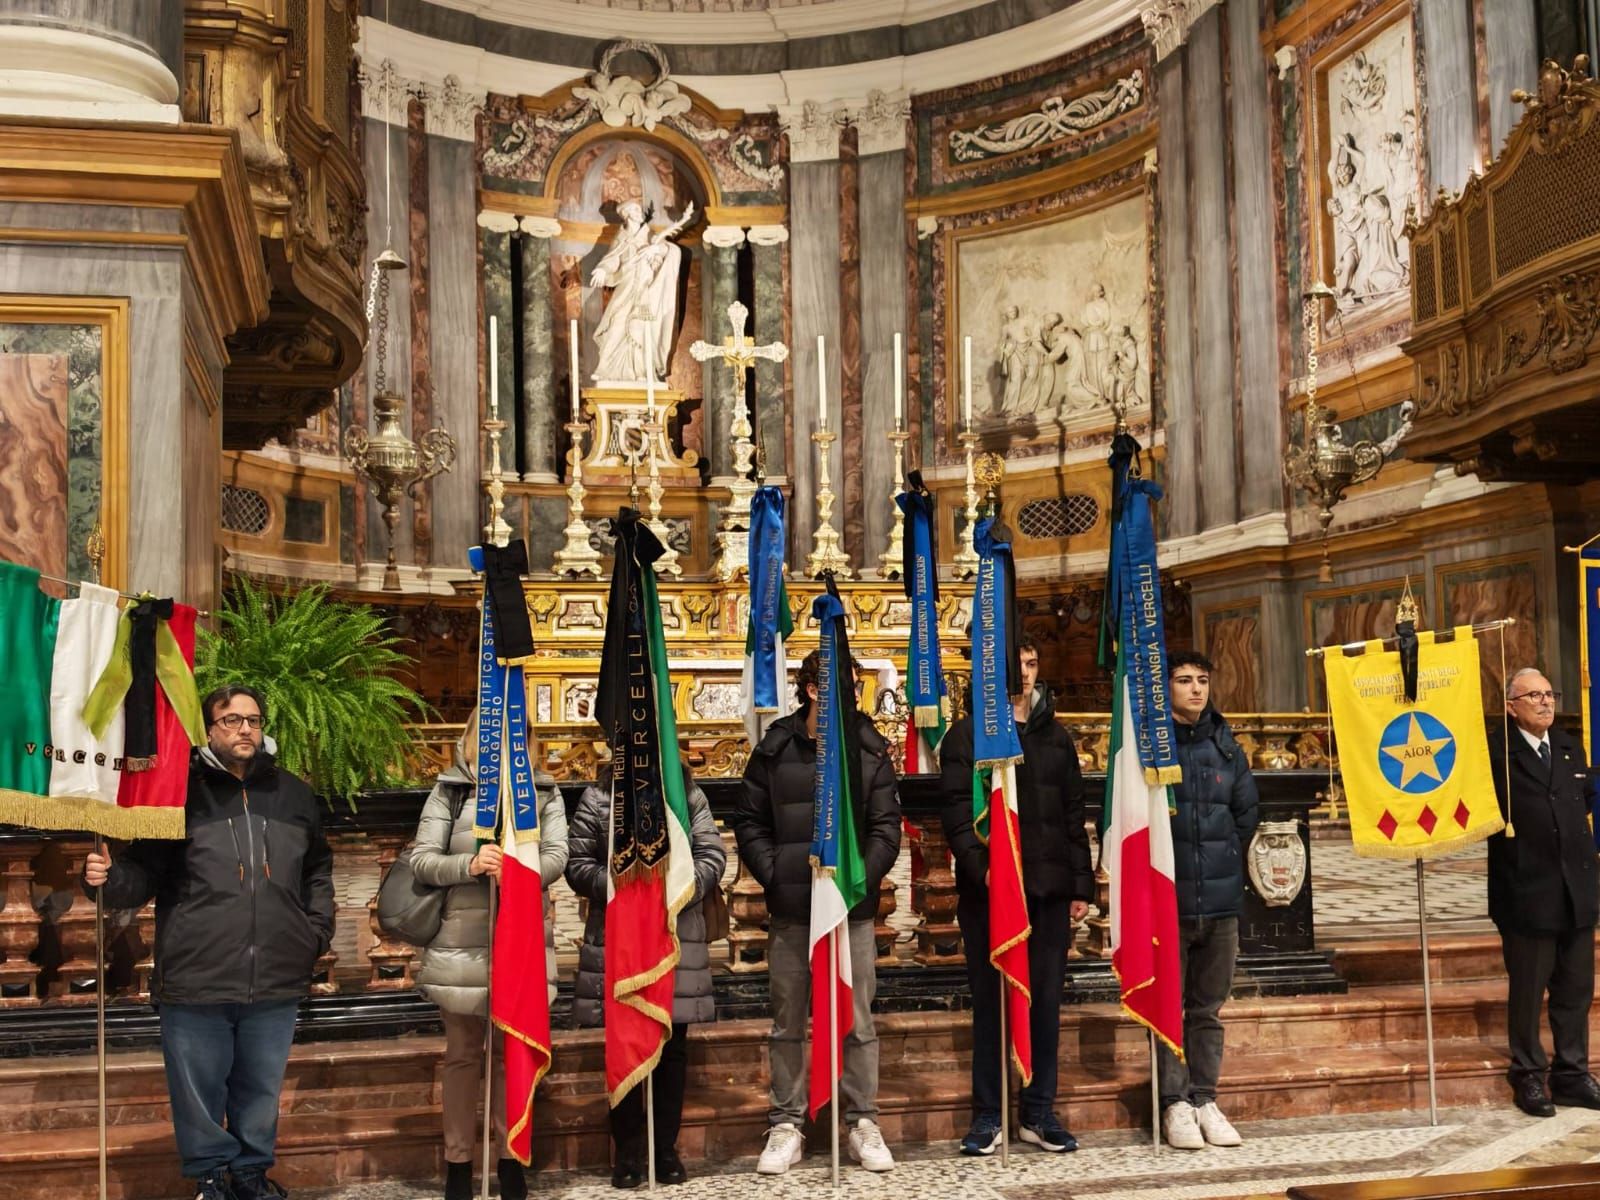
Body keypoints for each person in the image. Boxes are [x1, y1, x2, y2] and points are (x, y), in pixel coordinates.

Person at [84, 685, 334, 1200]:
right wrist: (105, 880)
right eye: (231, 720)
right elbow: (143, 874)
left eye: (254, 719)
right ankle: (212, 1178)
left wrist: (314, 933)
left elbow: (317, 870)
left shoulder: (294, 795)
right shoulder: (175, 794)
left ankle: (249, 1175)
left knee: (260, 1092)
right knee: (197, 1091)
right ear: (207, 729)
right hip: (197, 972)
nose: (245, 728)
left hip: (277, 974)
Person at [734, 651, 903, 1175]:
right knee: (788, 1021)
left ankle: (862, 1121)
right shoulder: (775, 748)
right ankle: (786, 1122)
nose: (850, 697)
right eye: (838, 687)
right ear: (811, 690)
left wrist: (855, 881)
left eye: (854, 687)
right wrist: (776, 872)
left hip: (849, 909)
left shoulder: (869, 750)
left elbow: (886, 828)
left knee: (857, 1019)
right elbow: (749, 821)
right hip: (792, 910)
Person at [941, 635, 1092, 1156]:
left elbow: (1073, 815)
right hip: (990, 897)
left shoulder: (1057, 739)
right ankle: (987, 1114)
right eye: (1014, 665)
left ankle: (1038, 1111)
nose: (1023, 674)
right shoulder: (968, 737)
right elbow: (959, 817)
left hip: (1048, 893)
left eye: (1031, 663)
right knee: (990, 1006)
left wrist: (1080, 884)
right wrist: (985, 871)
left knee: (1045, 1003)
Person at [410, 713, 568, 1200]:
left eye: (517, 733)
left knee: (509, 1056)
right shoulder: (451, 790)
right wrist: (470, 863)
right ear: (476, 736)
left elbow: (558, 856)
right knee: (462, 1057)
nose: (505, 742)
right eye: (496, 732)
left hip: (518, 942)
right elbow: (421, 858)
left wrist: (519, 870)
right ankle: (458, 1164)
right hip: (462, 942)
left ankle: (510, 1159)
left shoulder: (543, 791)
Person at [566, 761, 727, 1188]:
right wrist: (625, 889)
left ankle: (664, 1150)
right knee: (624, 1042)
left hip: (675, 934)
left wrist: (672, 887)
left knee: (672, 1048)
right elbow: (577, 863)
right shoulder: (599, 796)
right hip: (620, 937)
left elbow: (713, 855)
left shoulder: (686, 793)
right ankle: (629, 1152)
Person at [1155, 651, 1259, 1150]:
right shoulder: (1152, 744)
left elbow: (1245, 816)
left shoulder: (1226, 745)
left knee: (1207, 1008)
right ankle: (1174, 1102)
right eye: (1184, 681)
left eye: (1202, 680)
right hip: (1167, 900)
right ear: (1166, 687)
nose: (1196, 689)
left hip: (1218, 900)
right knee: (1168, 1006)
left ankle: (1205, 1097)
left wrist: (1219, 862)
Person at [1487, 667, 1600, 1117]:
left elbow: (1584, 800)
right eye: (1533, 695)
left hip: (1578, 889)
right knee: (1529, 991)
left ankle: (1572, 1074)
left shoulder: (1570, 747)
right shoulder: (1497, 750)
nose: (1546, 702)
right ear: (1512, 706)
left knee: (1575, 990)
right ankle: (1529, 1075)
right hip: (1526, 891)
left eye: (1550, 693)